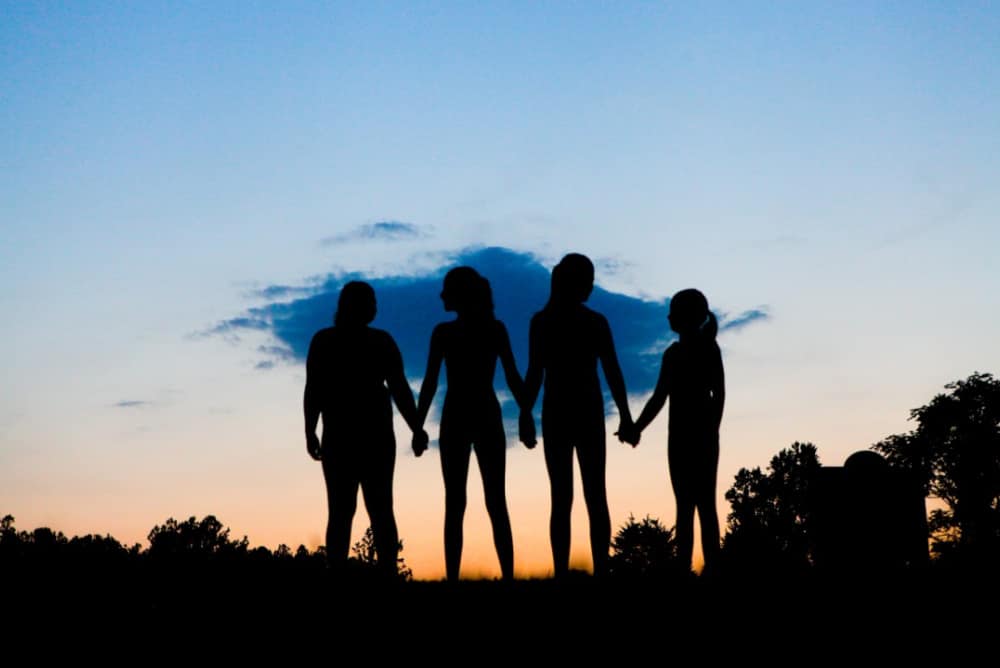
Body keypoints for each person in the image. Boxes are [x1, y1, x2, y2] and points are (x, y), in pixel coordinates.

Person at [303, 281, 428, 577]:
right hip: (361, 436)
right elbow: (315, 390)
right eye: (370, 301)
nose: (375, 307)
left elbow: (398, 388)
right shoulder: (370, 341)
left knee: (359, 510)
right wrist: (310, 430)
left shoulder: (330, 341)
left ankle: (372, 572)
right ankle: (370, 573)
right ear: (356, 306)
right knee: (367, 510)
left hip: (357, 435)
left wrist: (416, 427)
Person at [521, 253, 633, 578]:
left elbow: (535, 373)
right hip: (576, 411)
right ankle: (579, 571)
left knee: (574, 496)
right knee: (585, 495)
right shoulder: (583, 322)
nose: (592, 286)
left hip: (567, 411)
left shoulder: (547, 322)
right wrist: (525, 413)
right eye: (588, 280)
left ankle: (584, 571)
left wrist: (526, 413)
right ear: (576, 283)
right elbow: (537, 372)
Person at [415, 267, 525, 581]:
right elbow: (513, 377)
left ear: (460, 294)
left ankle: (468, 578)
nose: (441, 296)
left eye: (447, 290)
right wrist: (526, 412)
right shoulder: (490, 329)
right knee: (487, 500)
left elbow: (430, 384)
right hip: (477, 415)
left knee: (464, 501)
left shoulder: (450, 333)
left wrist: (418, 426)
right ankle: (501, 576)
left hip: (460, 416)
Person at [618, 288, 725, 574]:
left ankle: (690, 569)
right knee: (699, 506)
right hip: (690, 438)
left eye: (673, 311)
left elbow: (661, 398)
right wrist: (636, 427)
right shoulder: (687, 352)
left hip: (688, 438)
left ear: (685, 317)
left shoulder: (693, 352)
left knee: (692, 506)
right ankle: (693, 568)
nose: (668, 316)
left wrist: (635, 428)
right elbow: (661, 397)